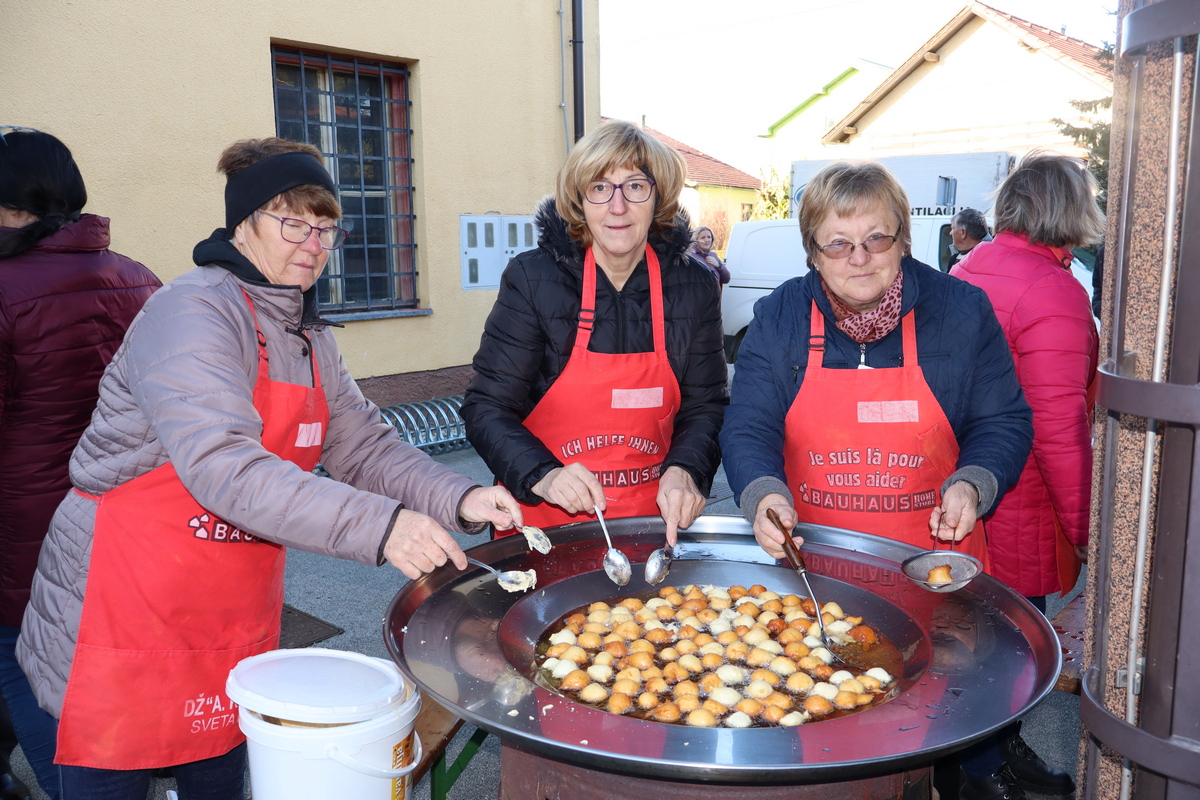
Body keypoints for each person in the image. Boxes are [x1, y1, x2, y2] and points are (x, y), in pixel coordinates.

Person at [16, 137, 523, 799]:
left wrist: (459, 497)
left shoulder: (307, 334)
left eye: (325, 228)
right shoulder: (192, 311)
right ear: (243, 224)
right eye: (292, 223)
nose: (312, 244)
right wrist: (383, 526)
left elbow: (362, 445)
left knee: (219, 775)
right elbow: (223, 465)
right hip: (128, 602)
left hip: (225, 607)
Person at [720, 161, 1036, 800]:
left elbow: (1003, 419)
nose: (858, 258)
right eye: (838, 243)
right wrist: (762, 493)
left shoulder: (961, 311)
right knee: (825, 727)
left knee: (938, 723)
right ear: (813, 251)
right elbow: (747, 425)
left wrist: (974, 482)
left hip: (933, 570)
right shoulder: (781, 316)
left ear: (905, 240)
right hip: (816, 573)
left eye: (876, 239)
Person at [461, 120, 726, 544]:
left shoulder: (693, 286)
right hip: (544, 525)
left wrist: (686, 469)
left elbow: (705, 406)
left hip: (652, 525)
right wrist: (544, 475)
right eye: (599, 187)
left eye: (635, 186)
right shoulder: (533, 278)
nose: (617, 207)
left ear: (658, 197)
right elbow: (486, 407)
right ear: (580, 200)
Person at [1, 127, 161, 800]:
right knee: (103, 665)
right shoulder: (139, 278)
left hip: (25, 529)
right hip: (128, 516)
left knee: (26, 664)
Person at [949, 151, 1103, 798]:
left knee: (974, 641)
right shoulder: (1052, 291)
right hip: (1021, 502)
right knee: (1010, 647)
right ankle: (984, 773)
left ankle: (988, 753)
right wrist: (1089, 530)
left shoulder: (971, 265)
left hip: (966, 486)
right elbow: (1058, 428)